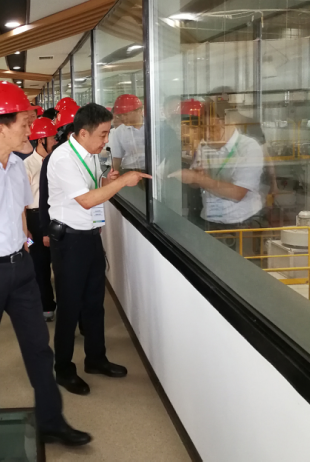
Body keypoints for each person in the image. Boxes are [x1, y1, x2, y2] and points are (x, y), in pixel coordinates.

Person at [0, 80, 91, 449]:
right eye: (24, 123)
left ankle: (52, 421)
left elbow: (21, 212)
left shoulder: (16, 166)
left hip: (21, 270)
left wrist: (23, 241)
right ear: (1, 125)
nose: (30, 130)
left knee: (39, 349)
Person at [47, 103, 150, 396]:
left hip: (90, 236)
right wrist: (123, 182)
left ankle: (96, 358)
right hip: (69, 242)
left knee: (94, 302)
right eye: (103, 134)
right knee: (69, 306)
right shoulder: (63, 159)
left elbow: (92, 188)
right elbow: (87, 201)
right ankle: (63, 368)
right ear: (83, 133)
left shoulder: (90, 154)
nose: (106, 140)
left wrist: (107, 181)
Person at [168, 90, 265, 244]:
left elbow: (237, 193)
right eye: (203, 128)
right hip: (209, 219)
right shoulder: (206, 145)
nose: (207, 134)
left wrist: (198, 178)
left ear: (227, 122)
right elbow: (197, 183)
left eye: (212, 128)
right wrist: (193, 178)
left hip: (239, 222)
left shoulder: (248, 148)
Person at [24, 117, 58, 322]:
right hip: (34, 220)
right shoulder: (27, 165)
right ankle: (46, 306)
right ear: (41, 140)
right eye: (52, 138)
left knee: (60, 263)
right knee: (40, 264)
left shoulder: (57, 161)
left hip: (56, 216)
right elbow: (21, 201)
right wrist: (25, 230)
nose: (55, 141)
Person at [39, 105, 78, 248]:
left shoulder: (84, 156)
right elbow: (44, 196)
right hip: (61, 229)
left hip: (81, 226)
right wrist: (45, 231)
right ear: (69, 134)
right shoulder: (53, 158)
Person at [109, 94, 145, 171]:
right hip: (128, 170)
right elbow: (117, 157)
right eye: (120, 115)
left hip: (152, 170)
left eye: (125, 114)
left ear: (139, 111)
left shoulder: (153, 128)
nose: (123, 118)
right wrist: (114, 174)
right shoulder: (119, 131)